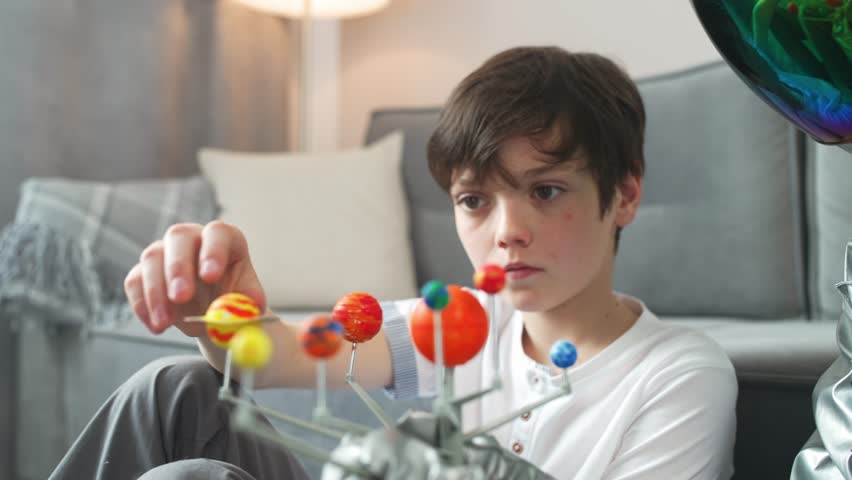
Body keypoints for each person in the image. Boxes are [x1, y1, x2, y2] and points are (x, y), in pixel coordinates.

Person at [49, 46, 737, 479]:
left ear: (623, 195)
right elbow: (277, 356)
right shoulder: (462, 322)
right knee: (172, 388)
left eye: (546, 190)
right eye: (474, 200)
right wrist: (227, 318)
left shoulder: (678, 376)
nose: (507, 233)